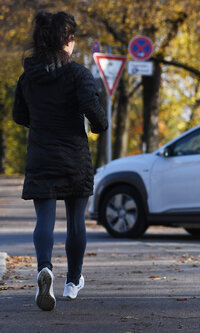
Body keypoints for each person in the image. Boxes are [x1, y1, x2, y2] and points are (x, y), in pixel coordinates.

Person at [12, 11, 108, 311]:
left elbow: (19, 116)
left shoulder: (28, 77)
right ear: (66, 42)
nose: (74, 42)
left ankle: (45, 268)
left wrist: (43, 122)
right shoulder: (79, 74)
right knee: (76, 221)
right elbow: (98, 119)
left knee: (44, 220)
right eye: (72, 37)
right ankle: (72, 282)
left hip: (41, 155)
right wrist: (96, 124)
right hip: (73, 157)